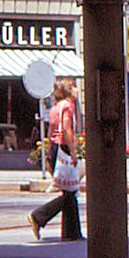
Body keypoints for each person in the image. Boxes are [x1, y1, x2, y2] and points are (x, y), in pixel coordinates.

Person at [28, 80, 82, 241]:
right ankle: (39, 216)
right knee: (70, 192)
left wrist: (48, 153)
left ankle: (71, 233)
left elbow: (51, 131)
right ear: (68, 92)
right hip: (64, 148)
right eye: (73, 87)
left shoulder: (55, 108)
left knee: (69, 192)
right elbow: (66, 129)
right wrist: (73, 151)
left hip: (55, 148)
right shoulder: (67, 106)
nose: (77, 90)